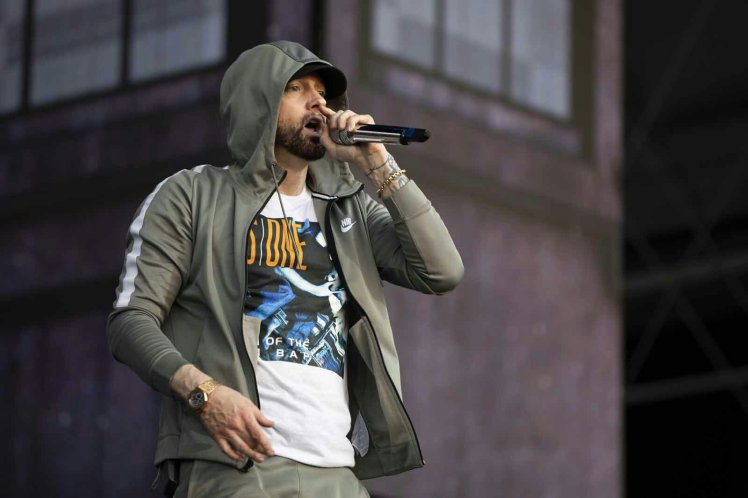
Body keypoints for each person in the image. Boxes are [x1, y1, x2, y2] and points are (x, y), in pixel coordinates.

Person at [107, 40, 463, 497]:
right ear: (256, 101)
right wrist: (204, 394)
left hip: (338, 472)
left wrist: (378, 162)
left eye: (323, 92)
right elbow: (130, 321)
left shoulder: (347, 208)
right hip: (237, 467)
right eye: (297, 89)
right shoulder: (192, 196)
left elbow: (442, 271)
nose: (318, 102)